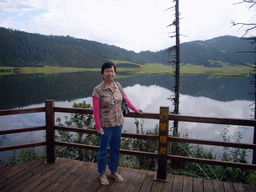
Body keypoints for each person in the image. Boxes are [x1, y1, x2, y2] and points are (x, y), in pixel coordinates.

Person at [92, 62, 143, 185]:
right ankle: (102, 173)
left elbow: (126, 100)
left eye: (112, 71)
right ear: (102, 73)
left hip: (118, 124)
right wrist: (98, 127)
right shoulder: (98, 90)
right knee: (103, 150)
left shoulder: (118, 86)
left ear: (115, 72)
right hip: (105, 125)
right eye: (107, 71)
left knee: (115, 149)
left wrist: (135, 109)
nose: (110, 73)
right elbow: (95, 111)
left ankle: (113, 171)